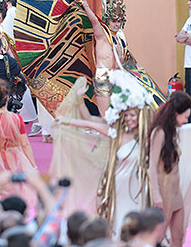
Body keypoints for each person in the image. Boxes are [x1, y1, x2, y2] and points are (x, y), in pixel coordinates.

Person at [59, 72, 155, 236]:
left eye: (133, 115)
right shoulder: (116, 133)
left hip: (138, 187)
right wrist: (67, 118)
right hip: (118, 186)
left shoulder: (148, 136)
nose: (130, 119)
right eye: (127, 115)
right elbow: (88, 121)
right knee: (119, 223)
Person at [0, 78, 36, 203]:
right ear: (8, 98)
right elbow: (24, 144)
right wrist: (32, 165)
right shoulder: (16, 119)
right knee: (15, 184)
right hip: (15, 155)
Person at [148, 91, 191, 247]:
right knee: (159, 236)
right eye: (185, 117)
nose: (186, 121)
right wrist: (156, 194)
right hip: (163, 188)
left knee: (178, 235)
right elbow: (151, 166)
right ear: (175, 113)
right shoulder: (159, 132)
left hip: (175, 189)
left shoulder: (173, 132)